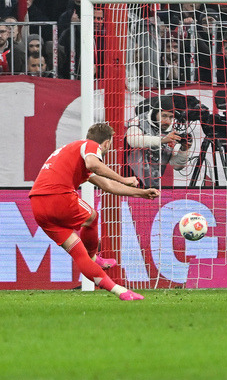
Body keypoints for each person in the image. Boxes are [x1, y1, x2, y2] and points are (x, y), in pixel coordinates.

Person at [29, 123, 160, 301]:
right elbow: (94, 163)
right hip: (57, 196)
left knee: (78, 253)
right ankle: (94, 256)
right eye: (111, 144)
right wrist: (124, 179)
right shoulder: (89, 146)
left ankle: (120, 291)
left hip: (38, 207)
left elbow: (107, 185)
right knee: (92, 216)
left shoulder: (73, 154)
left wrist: (142, 193)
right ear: (106, 143)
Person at [126, 101, 191, 188]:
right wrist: (162, 140)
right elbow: (133, 141)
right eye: (164, 116)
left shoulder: (172, 131)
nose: (167, 121)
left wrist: (183, 150)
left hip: (152, 185)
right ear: (155, 113)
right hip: (127, 180)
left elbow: (176, 166)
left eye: (171, 117)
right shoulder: (138, 120)